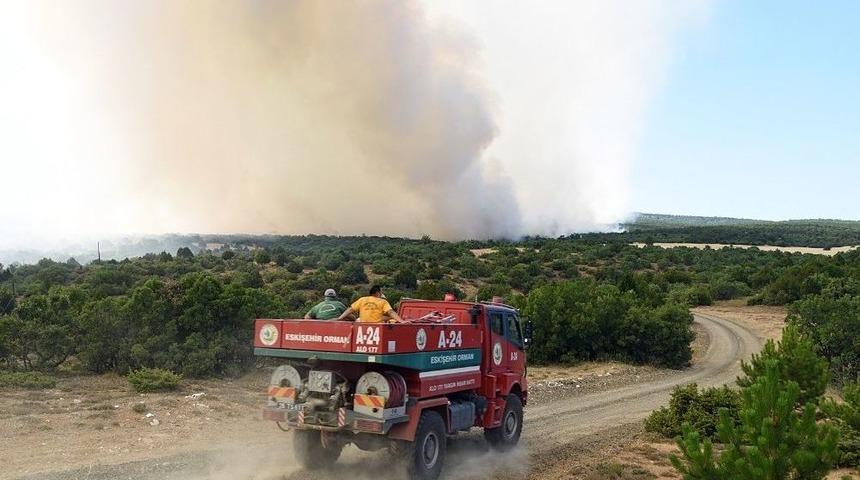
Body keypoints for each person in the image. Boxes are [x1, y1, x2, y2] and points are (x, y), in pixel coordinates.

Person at [336, 285, 403, 323]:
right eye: (381, 292)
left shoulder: (362, 299)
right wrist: (401, 321)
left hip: (363, 328)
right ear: (377, 293)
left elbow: (350, 309)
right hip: (377, 329)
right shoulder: (383, 302)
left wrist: (340, 318)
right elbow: (390, 312)